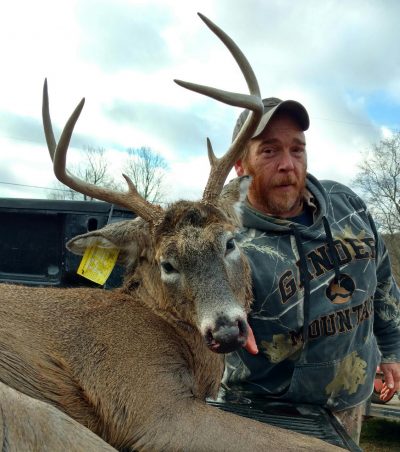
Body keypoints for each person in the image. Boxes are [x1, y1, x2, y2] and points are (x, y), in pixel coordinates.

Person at [222, 97, 400, 444]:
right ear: (241, 165)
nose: (288, 164)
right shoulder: (227, 242)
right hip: (266, 416)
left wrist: (392, 349)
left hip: (349, 401)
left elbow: (381, 279)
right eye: (270, 151)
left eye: (297, 149)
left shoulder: (346, 205)